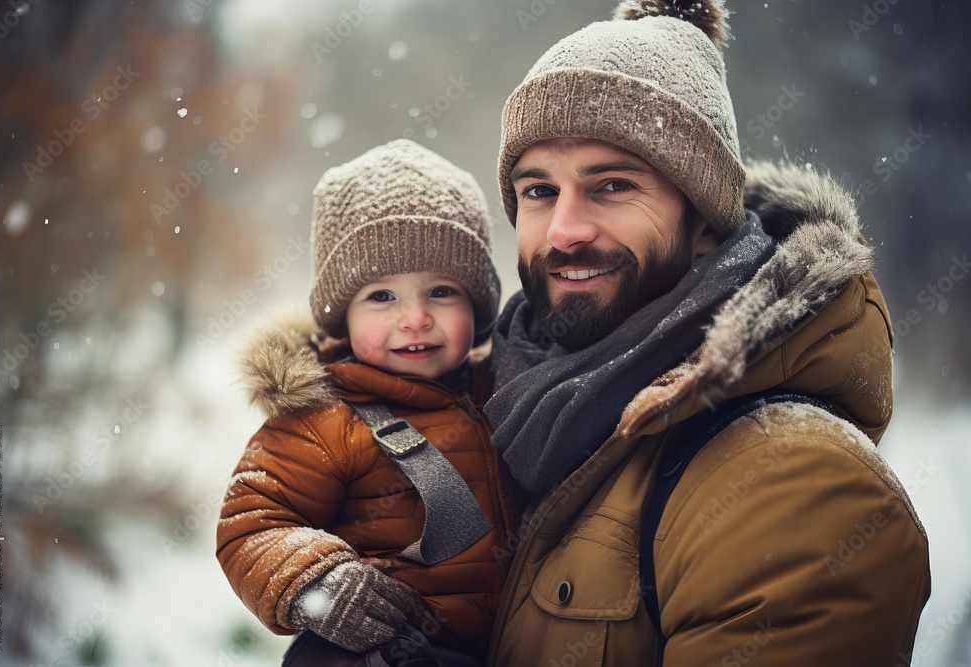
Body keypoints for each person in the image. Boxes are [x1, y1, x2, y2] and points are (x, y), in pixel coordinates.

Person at [482, 1, 931, 665]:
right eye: (539, 191)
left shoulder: (792, 485)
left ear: (706, 228)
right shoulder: (496, 409)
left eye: (611, 185)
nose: (565, 230)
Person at [216, 139, 518, 666]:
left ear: (479, 302)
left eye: (441, 291)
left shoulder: (506, 390)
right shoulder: (323, 417)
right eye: (382, 296)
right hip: (388, 647)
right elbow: (252, 523)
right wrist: (321, 583)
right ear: (342, 318)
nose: (416, 318)